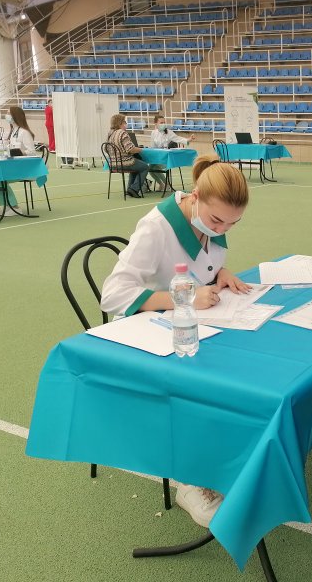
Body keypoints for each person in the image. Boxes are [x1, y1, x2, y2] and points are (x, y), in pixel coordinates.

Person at [101, 154, 251, 528]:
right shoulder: (156, 227)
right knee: (205, 378)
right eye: (218, 220)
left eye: (232, 222)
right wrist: (184, 297)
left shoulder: (213, 217)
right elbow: (113, 294)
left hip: (192, 326)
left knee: (239, 365)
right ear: (196, 196)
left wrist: (222, 272)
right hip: (148, 335)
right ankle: (189, 480)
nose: (222, 228)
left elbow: (203, 262)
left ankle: (221, 454)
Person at [104, 113, 149, 198]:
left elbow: (105, 149)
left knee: (137, 166)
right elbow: (130, 149)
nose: (126, 124)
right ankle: (134, 189)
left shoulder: (110, 134)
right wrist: (140, 149)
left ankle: (130, 189)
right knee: (145, 167)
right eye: (125, 122)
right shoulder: (122, 133)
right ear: (120, 123)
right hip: (125, 162)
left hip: (113, 164)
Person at [147, 114, 195, 188]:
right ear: (156, 124)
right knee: (150, 168)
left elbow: (178, 139)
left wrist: (189, 139)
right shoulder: (153, 133)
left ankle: (167, 184)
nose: (163, 124)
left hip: (167, 159)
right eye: (161, 123)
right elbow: (153, 147)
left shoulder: (169, 132)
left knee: (155, 167)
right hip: (157, 157)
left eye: (164, 122)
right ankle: (162, 184)